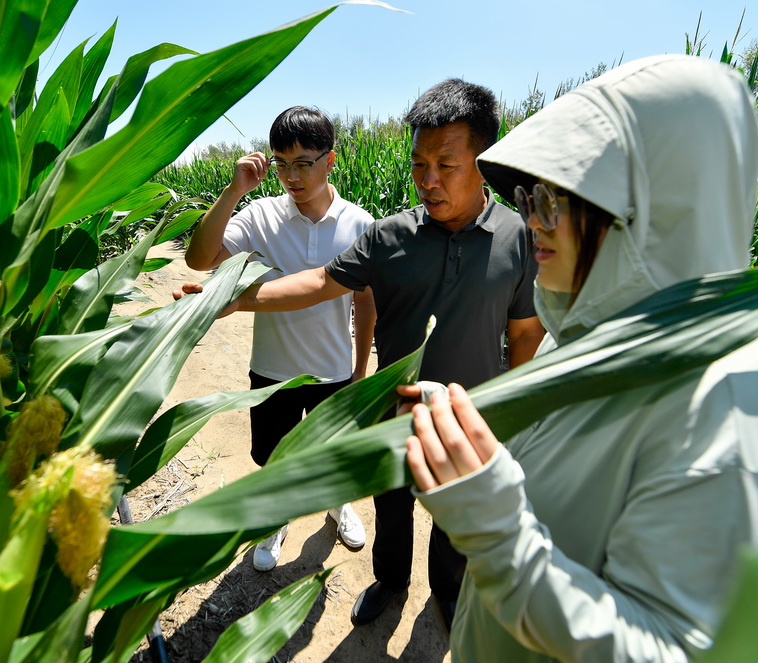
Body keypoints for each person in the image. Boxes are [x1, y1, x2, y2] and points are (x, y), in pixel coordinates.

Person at [403, 55, 758, 663]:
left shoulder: (728, 402)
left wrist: (496, 534)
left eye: (557, 199)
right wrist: (476, 430)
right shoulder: (591, 333)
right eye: (529, 196)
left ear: (655, 211)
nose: (533, 218)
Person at [194, 79, 545, 629]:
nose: (428, 181)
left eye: (446, 165)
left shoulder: (518, 239)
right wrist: (232, 301)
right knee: (392, 504)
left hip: (471, 417)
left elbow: (524, 333)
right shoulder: (389, 237)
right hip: (395, 410)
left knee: (456, 519)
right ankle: (390, 581)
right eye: (418, 163)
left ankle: (447, 593)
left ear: (484, 161)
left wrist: (515, 410)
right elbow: (316, 283)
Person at [181, 106, 376, 572]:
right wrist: (234, 190)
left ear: (330, 161)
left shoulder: (359, 223)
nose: (291, 176)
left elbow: (365, 302)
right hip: (271, 371)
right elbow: (198, 259)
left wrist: (360, 368)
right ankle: (276, 520)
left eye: (303, 163)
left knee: (333, 453)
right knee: (272, 456)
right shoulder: (260, 214)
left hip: (333, 367)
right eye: (281, 164)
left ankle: (337, 505)